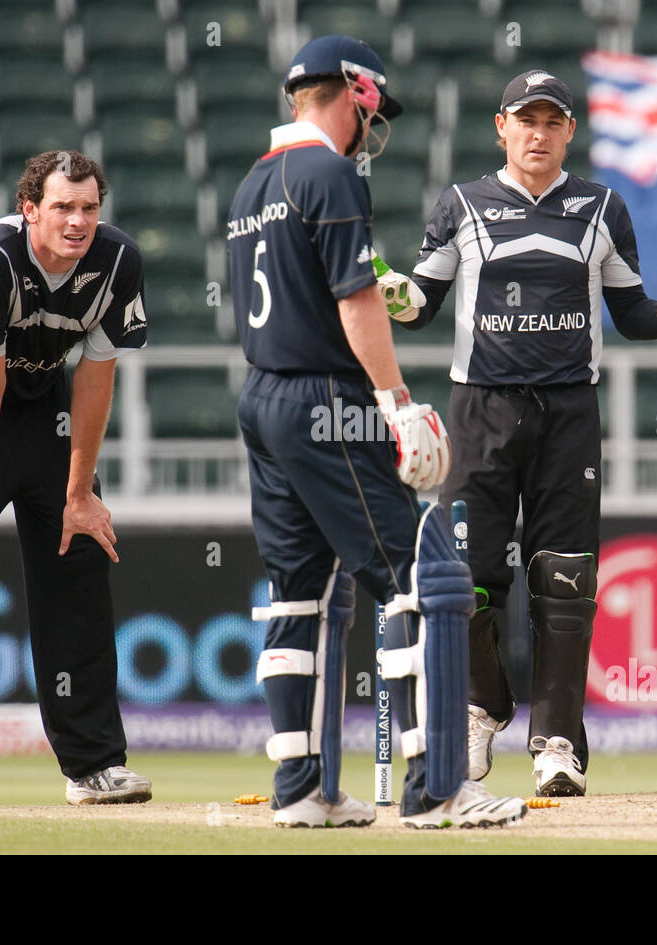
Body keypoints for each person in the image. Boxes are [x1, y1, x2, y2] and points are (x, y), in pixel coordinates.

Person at [389, 70, 657, 796]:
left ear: (569, 131)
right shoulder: (462, 205)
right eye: (524, 120)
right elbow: (418, 305)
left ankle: (556, 741)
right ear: (501, 127)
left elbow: (636, 315)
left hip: (568, 415)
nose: (538, 133)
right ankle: (478, 708)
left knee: (565, 579)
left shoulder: (602, 208)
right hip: (480, 410)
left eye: (551, 121)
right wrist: (374, 279)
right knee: (464, 580)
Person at [228, 35, 527, 828]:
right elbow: (355, 300)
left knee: (300, 595)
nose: (375, 127)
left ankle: (303, 789)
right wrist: (394, 400)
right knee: (427, 578)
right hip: (325, 394)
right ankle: (438, 791)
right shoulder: (329, 172)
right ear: (354, 92)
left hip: (261, 395)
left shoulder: (253, 183)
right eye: (374, 109)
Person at [0, 150, 152, 807]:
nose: (78, 222)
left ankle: (93, 763)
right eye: (63, 207)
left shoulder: (120, 262)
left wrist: (80, 496)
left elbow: (96, 377)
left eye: (90, 208)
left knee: (79, 549)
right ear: (30, 210)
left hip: (42, 397)